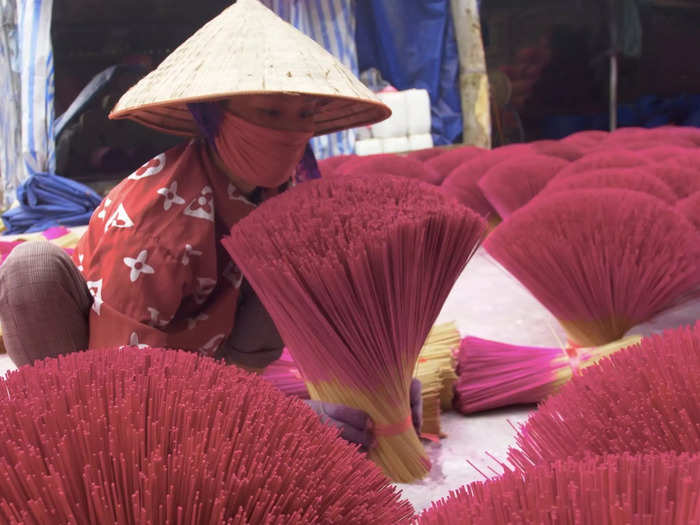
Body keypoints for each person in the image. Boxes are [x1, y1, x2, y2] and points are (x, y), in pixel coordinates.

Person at [0, 0, 422, 448]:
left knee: (294, 253)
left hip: (212, 357)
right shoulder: (157, 224)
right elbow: (120, 381)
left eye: (304, 114)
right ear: (216, 116)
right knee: (31, 269)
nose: (290, 132)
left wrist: (380, 373)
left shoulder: (288, 189)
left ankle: (228, 407)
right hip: (110, 371)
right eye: (270, 113)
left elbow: (327, 298)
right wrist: (272, 421)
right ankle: (71, 433)